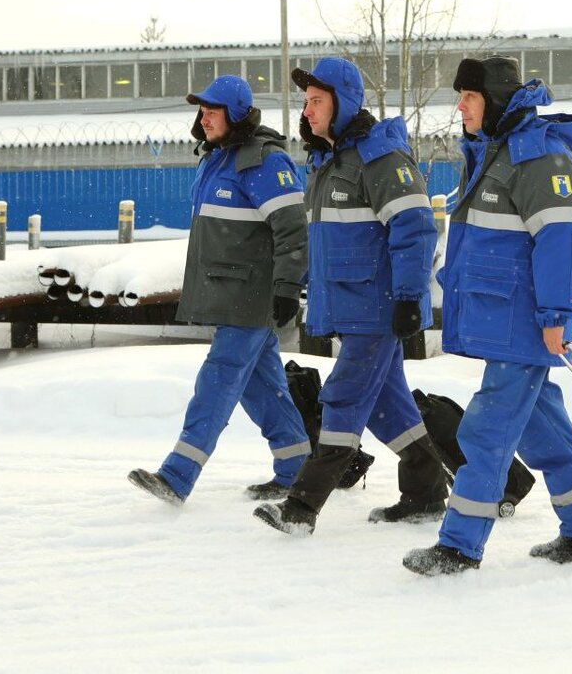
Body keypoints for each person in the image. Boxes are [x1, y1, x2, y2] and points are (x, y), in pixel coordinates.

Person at [403, 56, 572, 576]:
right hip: (505, 317)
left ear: (493, 100)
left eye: (468, 97)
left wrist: (556, 314)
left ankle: (459, 546)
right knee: (543, 432)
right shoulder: (492, 152)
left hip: (525, 319)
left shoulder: (537, 156)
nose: (459, 108)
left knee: (485, 431)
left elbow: (564, 239)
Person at [253, 57, 448, 534]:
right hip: (351, 304)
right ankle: (426, 494)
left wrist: (406, 297)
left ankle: (301, 506)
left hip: (379, 308)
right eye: (307, 101)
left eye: (318, 100)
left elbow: (415, 227)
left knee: (340, 399)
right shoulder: (328, 160)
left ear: (344, 104)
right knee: (387, 407)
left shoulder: (379, 158)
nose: (309, 109)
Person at [129, 75, 311, 505]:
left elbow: (293, 230)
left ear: (236, 115)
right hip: (232, 293)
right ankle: (297, 468)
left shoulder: (264, 162)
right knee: (260, 386)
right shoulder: (218, 159)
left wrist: (288, 286)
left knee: (217, 379)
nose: (204, 118)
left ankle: (178, 474)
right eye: (202, 111)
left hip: (252, 297)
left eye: (213, 111)